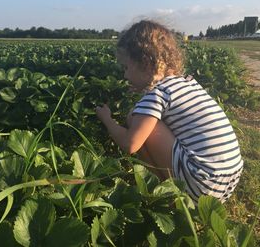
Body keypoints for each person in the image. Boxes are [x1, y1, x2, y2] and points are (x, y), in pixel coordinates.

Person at [95, 20, 243, 203]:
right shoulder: (187, 83)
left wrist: (107, 120)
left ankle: (161, 191)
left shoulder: (158, 94)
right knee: (141, 116)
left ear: (145, 63)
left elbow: (130, 144)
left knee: (135, 119)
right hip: (227, 181)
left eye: (126, 67)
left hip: (200, 184)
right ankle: (170, 186)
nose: (125, 75)